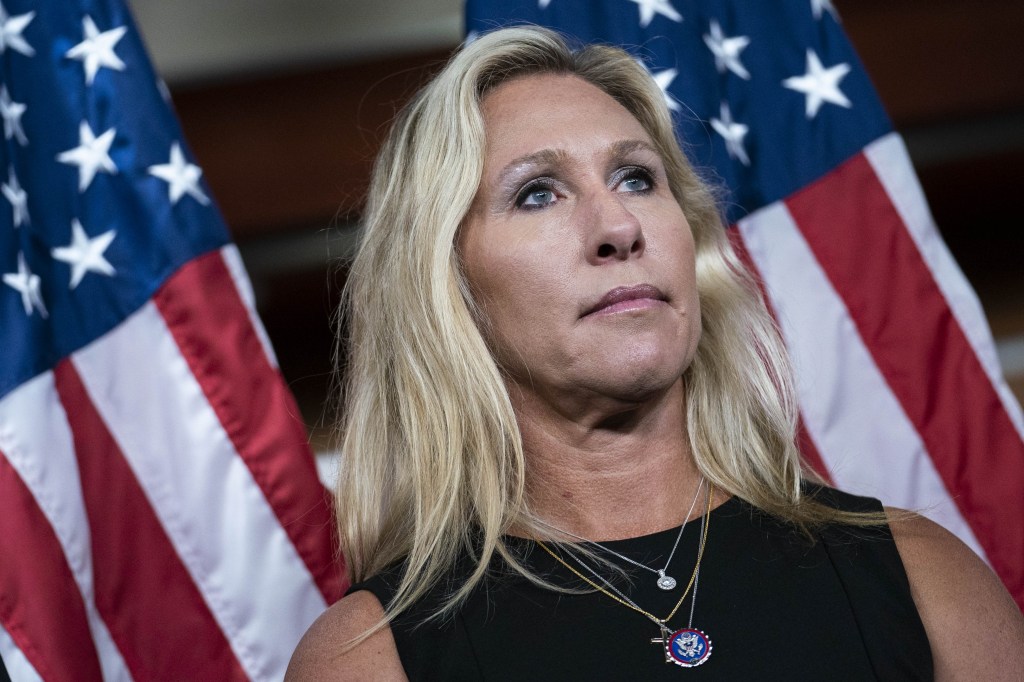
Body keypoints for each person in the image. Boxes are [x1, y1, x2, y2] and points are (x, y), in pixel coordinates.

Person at [287, 26, 1024, 681]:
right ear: (448, 287)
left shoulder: (925, 581)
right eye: (538, 193)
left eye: (637, 177)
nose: (618, 225)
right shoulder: (367, 659)